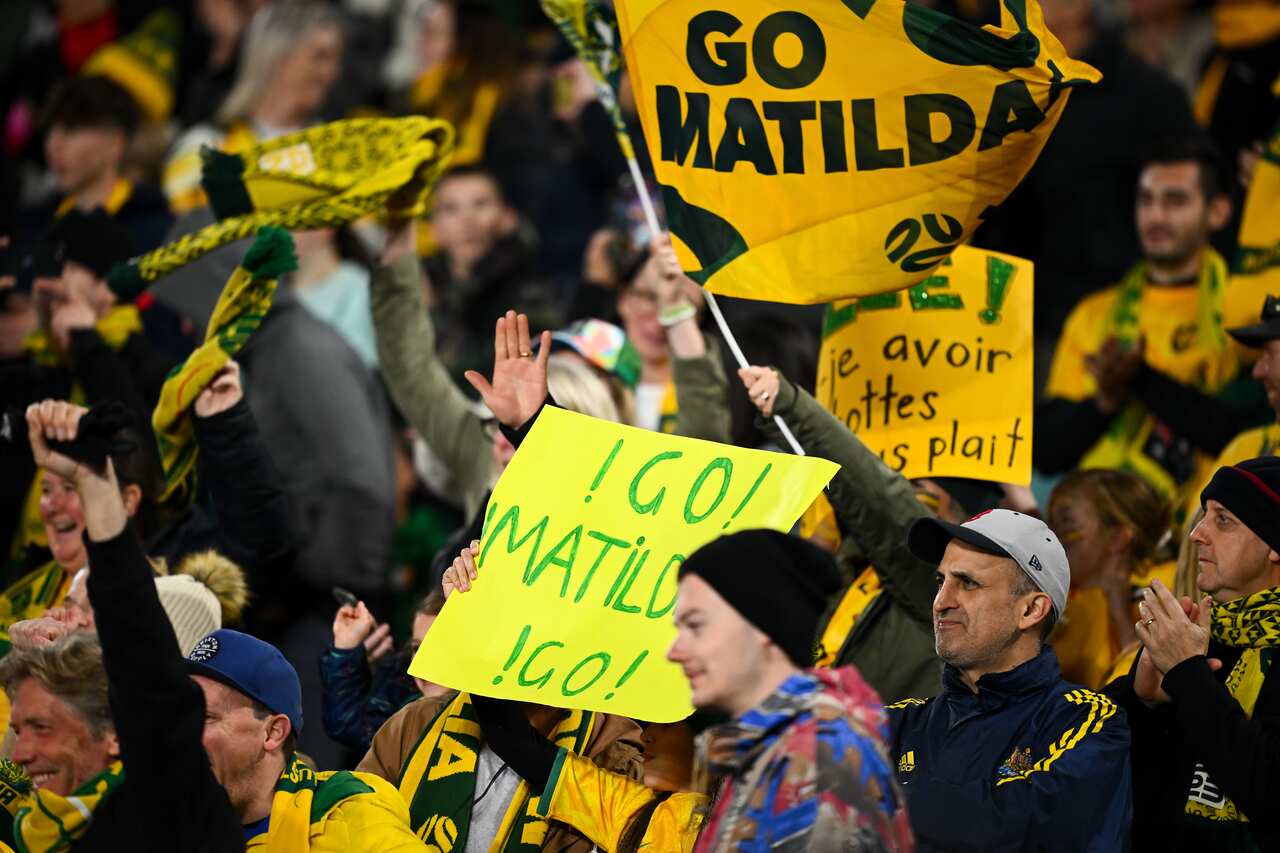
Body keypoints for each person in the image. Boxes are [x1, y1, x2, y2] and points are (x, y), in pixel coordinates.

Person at [3, 399, 245, 851]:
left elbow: (138, 642)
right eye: (22, 729)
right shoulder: (40, 825)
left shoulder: (170, 797)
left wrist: (94, 482)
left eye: (42, 728)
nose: (20, 752)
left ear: (116, 734)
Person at [737, 363, 1003, 702]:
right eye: (904, 485)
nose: (909, 499)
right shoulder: (839, 572)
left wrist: (792, 407)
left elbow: (884, 504)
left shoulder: (942, 589)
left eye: (922, 498)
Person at [1038, 137, 1270, 510]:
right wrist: (1104, 401)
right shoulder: (1095, 314)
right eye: (1146, 200)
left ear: (1218, 212)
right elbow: (1047, 452)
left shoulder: (1244, 311)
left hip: (1202, 538)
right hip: (1102, 543)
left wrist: (1139, 379)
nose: (1156, 216)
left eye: (1175, 200)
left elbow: (1238, 430)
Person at [975, 0, 1200, 384]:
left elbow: (1198, 195)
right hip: (1013, 324)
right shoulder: (997, 92)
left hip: (1122, 328)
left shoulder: (1147, 96)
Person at [888, 509, 1132, 851]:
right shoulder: (897, 722)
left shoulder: (1089, 722)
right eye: (941, 581)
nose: (941, 602)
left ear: (1031, 610)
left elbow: (1016, 826)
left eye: (967, 583)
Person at [441, 541, 708, 852]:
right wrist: (468, 616)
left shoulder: (760, 823)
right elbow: (515, 743)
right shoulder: (633, 811)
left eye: (667, 723)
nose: (646, 737)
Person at [669, 529, 913, 851]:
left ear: (762, 625)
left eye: (696, 625)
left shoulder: (818, 758)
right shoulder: (775, 750)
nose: (674, 650)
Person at [1105, 456, 1280, 850]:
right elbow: (1116, 779)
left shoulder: (1185, 655)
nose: (1197, 534)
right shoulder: (1191, 633)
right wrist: (1139, 700)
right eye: (1203, 516)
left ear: (1274, 545)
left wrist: (1189, 676)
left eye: (1223, 520)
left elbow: (1269, 791)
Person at [164, 2, 345, 213]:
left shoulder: (334, 148)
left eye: (335, 60)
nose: (333, 73)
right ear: (277, 57)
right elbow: (188, 230)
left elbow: (368, 236)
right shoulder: (208, 147)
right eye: (320, 57)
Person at [1047, 468, 1175, 689]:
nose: (1051, 537)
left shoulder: (1165, 589)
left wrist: (1121, 614)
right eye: (1051, 524)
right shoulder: (1058, 598)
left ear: (1117, 538)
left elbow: (1151, 691)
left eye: (1066, 524)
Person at [17, 75, 172, 254]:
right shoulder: (33, 223)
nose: (54, 144)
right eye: (50, 129)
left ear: (116, 142)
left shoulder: (155, 229)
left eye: (72, 129)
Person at [319, 590, 449, 753]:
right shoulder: (403, 708)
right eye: (417, 648)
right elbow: (349, 728)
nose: (421, 662)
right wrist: (345, 650)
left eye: (438, 646)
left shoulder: (488, 715)